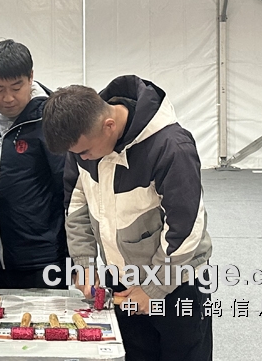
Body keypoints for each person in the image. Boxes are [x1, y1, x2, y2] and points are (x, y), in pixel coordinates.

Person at [42, 76, 213, 361]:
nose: (82, 158)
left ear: (109, 126)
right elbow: (77, 205)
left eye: (84, 152)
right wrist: (84, 263)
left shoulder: (171, 146)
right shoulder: (84, 142)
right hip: (122, 280)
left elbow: (186, 228)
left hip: (177, 283)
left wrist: (153, 288)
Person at [0, 39, 67, 289]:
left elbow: (70, 191)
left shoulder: (51, 120)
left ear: (31, 77)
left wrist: (73, 254)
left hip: (45, 258)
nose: (8, 98)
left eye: (16, 87)